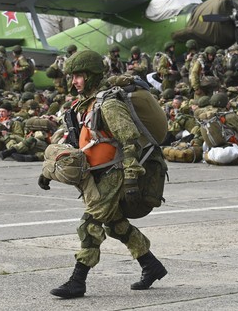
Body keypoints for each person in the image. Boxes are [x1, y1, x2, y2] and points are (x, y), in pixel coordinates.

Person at [38, 49, 167, 299]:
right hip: (96, 174)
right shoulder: (82, 105)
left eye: (78, 76)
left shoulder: (108, 104)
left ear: (92, 75)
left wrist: (131, 176)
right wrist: (49, 171)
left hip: (115, 173)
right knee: (116, 225)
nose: (73, 81)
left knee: (90, 224)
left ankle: (78, 280)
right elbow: (76, 142)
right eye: (72, 76)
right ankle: (151, 266)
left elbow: (129, 139)